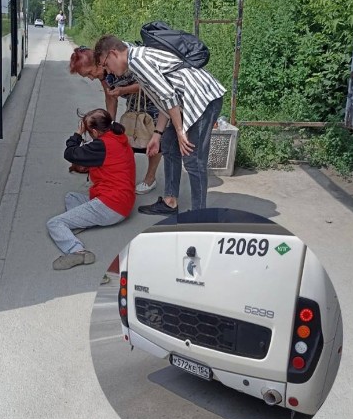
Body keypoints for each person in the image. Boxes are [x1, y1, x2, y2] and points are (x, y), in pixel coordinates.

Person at [94, 35, 226, 215]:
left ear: (113, 54)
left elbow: (168, 96)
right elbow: (163, 99)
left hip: (203, 100)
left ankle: (199, 214)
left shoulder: (138, 61)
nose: (108, 71)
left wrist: (180, 131)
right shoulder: (134, 62)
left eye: (106, 64)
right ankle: (170, 201)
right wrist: (157, 134)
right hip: (183, 102)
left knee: (192, 158)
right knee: (169, 145)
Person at [47, 108, 136, 270]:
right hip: (123, 200)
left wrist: (77, 134)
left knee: (55, 223)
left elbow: (70, 153)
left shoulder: (101, 145)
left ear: (94, 131)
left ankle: (77, 251)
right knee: (71, 197)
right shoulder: (119, 137)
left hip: (111, 205)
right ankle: (79, 222)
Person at [69, 46, 162, 194]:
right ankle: (124, 177)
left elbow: (151, 83)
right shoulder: (103, 73)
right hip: (134, 98)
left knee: (153, 135)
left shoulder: (124, 61)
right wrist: (108, 125)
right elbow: (110, 95)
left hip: (155, 97)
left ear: (98, 63)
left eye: (89, 73)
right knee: (129, 135)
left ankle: (150, 179)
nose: (91, 78)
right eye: (87, 77)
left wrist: (123, 91)